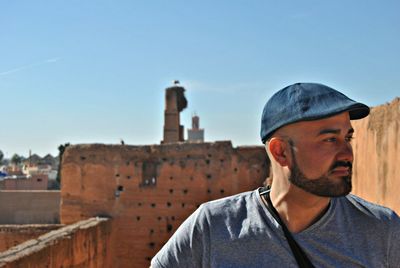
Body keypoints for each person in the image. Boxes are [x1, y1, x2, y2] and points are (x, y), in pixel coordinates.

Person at [151, 82, 400, 267]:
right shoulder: (212, 228)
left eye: (348, 137)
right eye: (329, 139)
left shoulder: (382, 231)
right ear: (280, 152)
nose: (347, 153)